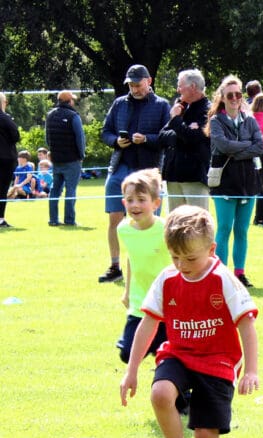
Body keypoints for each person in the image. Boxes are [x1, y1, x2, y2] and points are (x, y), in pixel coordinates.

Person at [119, 205, 259, 438]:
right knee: (160, 394)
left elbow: (246, 324)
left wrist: (250, 370)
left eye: (191, 259)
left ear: (211, 249)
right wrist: (131, 371)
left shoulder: (223, 280)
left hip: (218, 361)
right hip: (179, 353)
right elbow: (147, 324)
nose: (182, 266)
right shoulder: (168, 279)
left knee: (205, 436)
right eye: (175, 258)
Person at [98, 64, 171, 283]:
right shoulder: (119, 103)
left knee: (150, 223)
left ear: (149, 81)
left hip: (149, 170)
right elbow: (105, 132)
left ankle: (151, 269)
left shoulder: (162, 105)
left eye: (138, 84)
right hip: (120, 167)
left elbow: (168, 137)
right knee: (114, 219)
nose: (134, 89)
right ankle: (115, 266)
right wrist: (115, 141)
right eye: (131, 85)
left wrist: (146, 139)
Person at [205, 75, 263, 288]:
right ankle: (220, 275)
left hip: (248, 181)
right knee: (224, 228)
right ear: (222, 98)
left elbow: (260, 146)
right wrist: (247, 145)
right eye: (229, 95)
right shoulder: (216, 121)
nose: (234, 98)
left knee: (242, 230)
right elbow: (223, 146)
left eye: (238, 94)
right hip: (224, 181)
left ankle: (239, 273)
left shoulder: (249, 120)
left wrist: (238, 148)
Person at [115, 169, 170, 364]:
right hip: (141, 303)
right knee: (127, 353)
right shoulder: (123, 229)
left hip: (168, 304)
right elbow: (132, 257)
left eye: (141, 199)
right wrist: (127, 292)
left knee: (168, 357)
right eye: (130, 200)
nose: (135, 205)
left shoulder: (166, 229)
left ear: (156, 203)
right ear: (124, 203)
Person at [161, 69, 212, 212]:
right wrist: (183, 130)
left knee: (197, 221)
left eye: (180, 86)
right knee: (175, 222)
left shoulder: (208, 110)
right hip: (173, 176)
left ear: (193, 86)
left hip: (194, 177)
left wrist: (176, 121)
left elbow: (194, 138)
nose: (178, 90)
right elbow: (162, 137)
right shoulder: (180, 108)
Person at [44, 90, 86, 226]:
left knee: (55, 190)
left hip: (56, 159)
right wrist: (81, 155)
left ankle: (53, 219)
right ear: (69, 101)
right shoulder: (74, 116)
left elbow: (47, 138)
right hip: (72, 160)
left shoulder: (50, 115)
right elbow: (80, 138)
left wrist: (53, 152)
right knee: (71, 190)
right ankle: (69, 220)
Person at [249, 93, 263, 226]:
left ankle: (259, 216)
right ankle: (262, 215)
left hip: (254, 153)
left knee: (259, 184)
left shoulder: (250, 117)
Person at [0, 92, 19, 227]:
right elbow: (16, 136)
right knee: (2, 189)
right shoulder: (5, 118)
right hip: (4, 158)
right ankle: (0, 218)